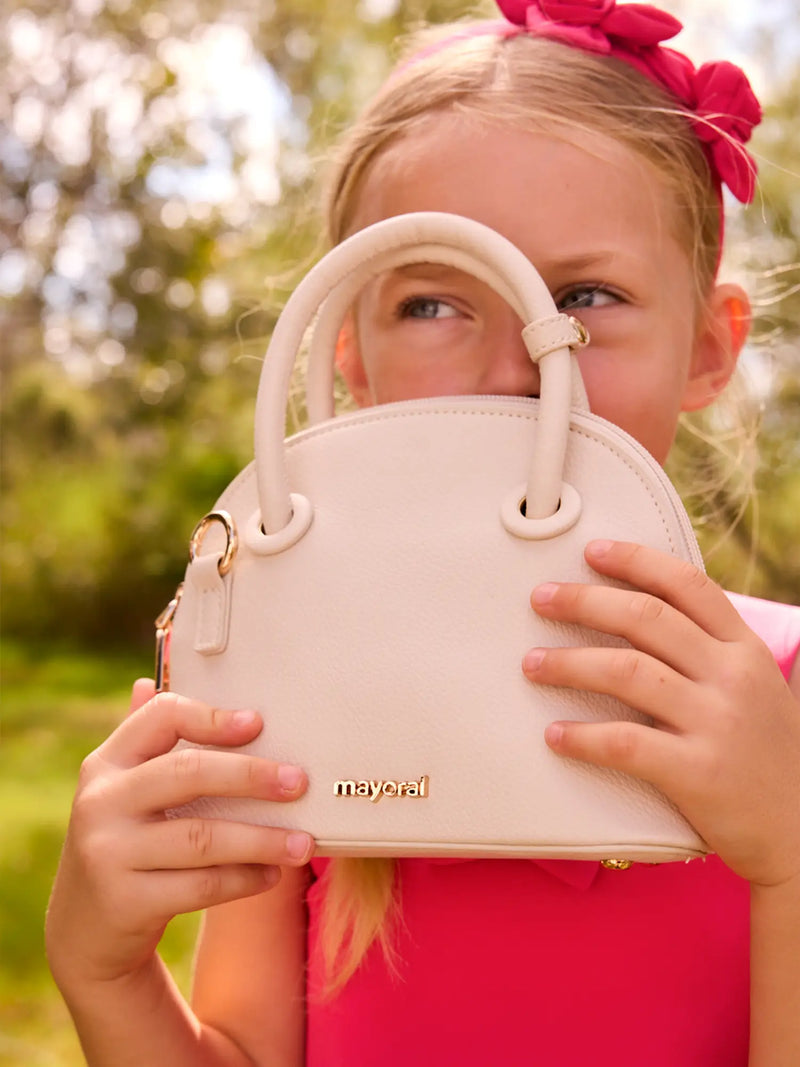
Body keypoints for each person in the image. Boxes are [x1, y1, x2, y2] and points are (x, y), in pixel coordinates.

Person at [46, 2, 800, 1064]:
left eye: (584, 297)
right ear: (346, 349)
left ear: (709, 349)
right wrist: (105, 969)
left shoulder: (787, 706)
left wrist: (787, 853)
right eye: (433, 304)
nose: (517, 367)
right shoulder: (301, 707)